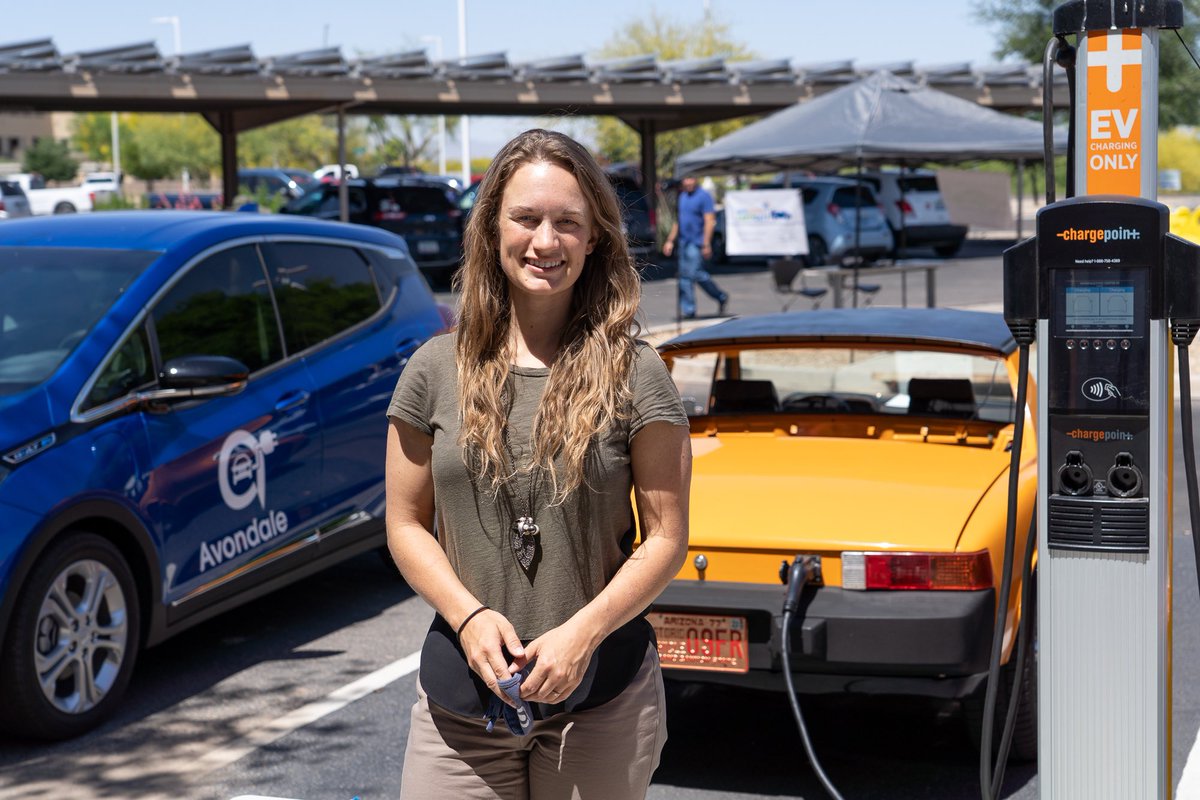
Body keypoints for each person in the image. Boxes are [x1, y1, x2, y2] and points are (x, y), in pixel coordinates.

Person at [384, 128, 692, 800]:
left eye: (567, 223)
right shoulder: (433, 370)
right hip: (461, 702)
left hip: (601, 696)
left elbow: (667, 537)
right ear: (492, 227)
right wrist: (467, 618)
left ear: (594, 240)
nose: (544, 241)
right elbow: (406, 525)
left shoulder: (637, 374)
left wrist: (582, 633)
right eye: (525, 218)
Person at [662, 176, 729, 319]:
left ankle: (720, 296)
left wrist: (706, 243)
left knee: (695, 274)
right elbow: (678, 222)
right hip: (683, 242)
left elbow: (709, 221)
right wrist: (670, 241)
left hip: (696, 242)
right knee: (684, 276)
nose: (688, 182)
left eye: (690, 179)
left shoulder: (704, 196)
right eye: (685, 179)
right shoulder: (682, 196)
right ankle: (689, 310)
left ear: (696, 179)